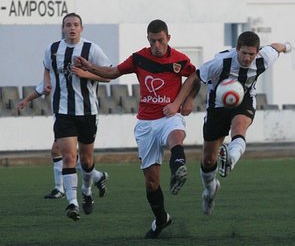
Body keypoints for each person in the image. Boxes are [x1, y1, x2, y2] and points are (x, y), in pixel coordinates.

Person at [72, 19, 200, 238]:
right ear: (148, 39)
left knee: (176, 135)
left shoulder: (180, 59)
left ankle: (178, 166)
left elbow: (195, 76)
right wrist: (90, 67)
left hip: (169, 115)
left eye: (160, 40)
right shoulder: (139, 58)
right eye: (153, 41)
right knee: (151, 183)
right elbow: (113, 73)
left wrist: (185, 100)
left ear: (168, 38)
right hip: (145, 124)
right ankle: (161, 219)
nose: (157, 45)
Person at [195, 31, 291, 215]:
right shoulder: (220, 63)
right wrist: (185, 101)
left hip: (244, 100)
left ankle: (230, 158)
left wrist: (287, 46)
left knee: (239, 127)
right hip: (217, 107)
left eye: (251, 54)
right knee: (208, 159)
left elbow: (276, 47)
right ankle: (210, 190)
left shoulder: (264, 58)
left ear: (257, 52)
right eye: (244, 53)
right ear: (237, 49)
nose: (247, 58)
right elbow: (195, 77)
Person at [42, 12, 112, 221]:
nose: (72, 28)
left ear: (82, 28)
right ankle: (72, 203)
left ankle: (87, 192)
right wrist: (46, 82)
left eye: (75, 25)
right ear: (63, 28)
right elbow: (46, 66)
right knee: (69, 157)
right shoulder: (52, 49)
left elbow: (109, 75)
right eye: (68, 25)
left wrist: (86, 74)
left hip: (87, 112)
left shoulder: (92, 49)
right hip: (63, 112)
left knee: (87, 160)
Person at [16, 80, 109, 200]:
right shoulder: (56, 69)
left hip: (83, 116)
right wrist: (27, 100)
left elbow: (106, 74)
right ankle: (94, 177)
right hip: (63, 117)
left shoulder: (78, 69)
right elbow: (44, 87)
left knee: (66, 153)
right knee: (63, 153)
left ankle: (70, 188)